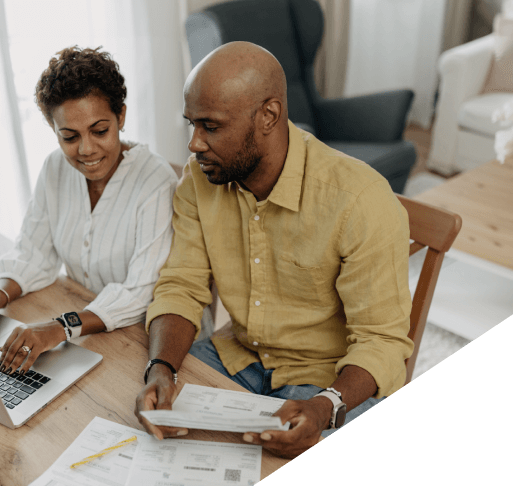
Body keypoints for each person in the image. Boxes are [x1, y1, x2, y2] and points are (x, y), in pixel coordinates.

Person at [134, 41, 414, 459]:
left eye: (210, 127)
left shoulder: (360, 200)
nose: (194, 144)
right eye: (191, 124)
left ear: (268, 116)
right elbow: (181, 286)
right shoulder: (199, 180)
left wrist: (324, 408)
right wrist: (160, 369)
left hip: (326, 381)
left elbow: (382, 342)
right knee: (140, 419)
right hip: (237, 355)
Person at [0, 46, 177, 377]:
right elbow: (33, 252)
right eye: (70, 136)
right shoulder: (55, 169)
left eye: (100, 130)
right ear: (54, 130)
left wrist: (58, 327)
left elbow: (141, 292)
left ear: (121, 116)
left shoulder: (155, 180)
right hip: (87, 332)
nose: (86, 149)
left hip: (150, 343)